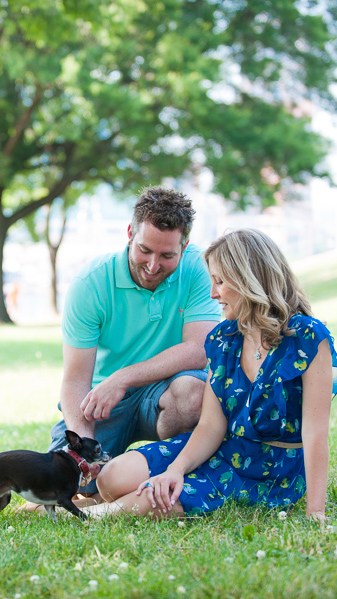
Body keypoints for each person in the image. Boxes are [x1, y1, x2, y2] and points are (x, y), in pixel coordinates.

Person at [84, 229, 337, 521]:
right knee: (111, 478)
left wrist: (316, 511)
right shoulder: (224, 338)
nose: (213, 293)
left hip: (269, 469)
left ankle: (84, 515)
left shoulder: (307, 337)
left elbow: (315, 433)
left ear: (249, 279)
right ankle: (100, 502)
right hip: (222, 448)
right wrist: (175, 470)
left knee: (151, 499)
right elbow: (210, 425)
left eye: (220, 282)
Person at [47, 186, 222, 499]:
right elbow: (75, 382)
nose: (153, 266)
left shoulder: (199, 268)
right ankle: (112, 486)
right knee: (78, 485)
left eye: (167, 255)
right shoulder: (91, 283)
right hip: (106, 402)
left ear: (185, 246)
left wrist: (123, 378)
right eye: (145, 250)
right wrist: (85, 451)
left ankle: (172, 473)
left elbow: (199, 351)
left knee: (193, 394)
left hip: (164, 391)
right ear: (130, 233)